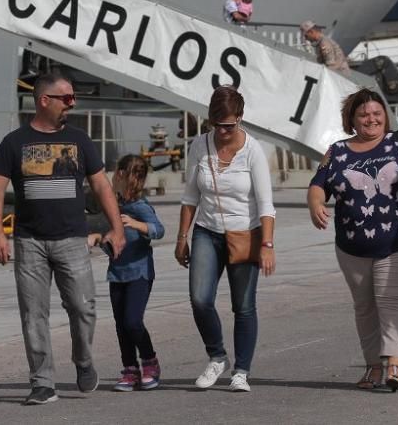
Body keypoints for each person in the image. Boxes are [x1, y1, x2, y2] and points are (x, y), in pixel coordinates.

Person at [0, 73, 127, 406]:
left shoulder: (80, 140)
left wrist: (117, 227)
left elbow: (101, 185)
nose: (72, 103)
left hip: (72, 240)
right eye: (66, 98)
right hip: (29, 241)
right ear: (44, 100)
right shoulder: (14, 142)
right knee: (33, 313)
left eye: (73, 98)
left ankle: (83, 360)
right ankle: (42, 382)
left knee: (83, 308)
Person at [307, 89, 398, 392]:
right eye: (364, 114)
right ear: (352, 119)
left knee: (390, 299)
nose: (371, 118)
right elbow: (318, 184)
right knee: (364, 306)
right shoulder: (337, 150)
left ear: (385, 115)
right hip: (351, 246)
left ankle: (395, 362)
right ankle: (373, 366)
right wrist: (315, 203)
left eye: (376, 112)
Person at [175, 86, 276, 392]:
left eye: (229, 125)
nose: (222, 131)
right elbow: (190, 195)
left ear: (240, 119)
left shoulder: (253, 150)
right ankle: (217, 355)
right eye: (216, 124)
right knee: (199, 298)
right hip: (207, 231)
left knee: (243, 305)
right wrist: (182, 236)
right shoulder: (200, 145)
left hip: (245, 232)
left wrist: (267, 244)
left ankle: (241, 371)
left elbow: (265, 203)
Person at [88, 154, 166, 392]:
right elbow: (109, 239)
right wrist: (97, 238)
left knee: (133, 321)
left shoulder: (140, 207)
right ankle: (130, 370)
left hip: (140, 273)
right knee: (121, 324)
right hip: (117, 273)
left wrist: (136, 224)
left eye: (115, 172)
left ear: (121, 174)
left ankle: (150, 361)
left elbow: (159, 230)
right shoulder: (113, 207)